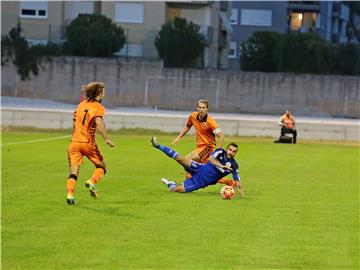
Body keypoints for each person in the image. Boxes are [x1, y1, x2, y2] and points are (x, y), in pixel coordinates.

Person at [66, 81, 115, 205]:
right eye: (103, 91)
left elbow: (74, 123)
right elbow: (98, 123)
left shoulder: (80, 105)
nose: (105, 93)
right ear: (99, 93)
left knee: (73, 172)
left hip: (74, 143)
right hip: (88, 142)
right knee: (102, 166)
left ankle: (70, 194)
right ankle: (92, 182)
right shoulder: (99, 108)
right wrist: (107, 138)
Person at [151, 137, 245, 197]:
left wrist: (242, 197)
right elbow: (210, 159)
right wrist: (221, 166)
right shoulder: (220, 151)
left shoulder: (234, 166)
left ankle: (171, 183)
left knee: (175, 190)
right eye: (230, 150)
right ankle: (158, 145)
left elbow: (238, 184)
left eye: (234, 151)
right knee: (180, 159)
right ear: (227, 149)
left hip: (200, 182)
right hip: (199, 168)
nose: (231, 152)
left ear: (236, 153)